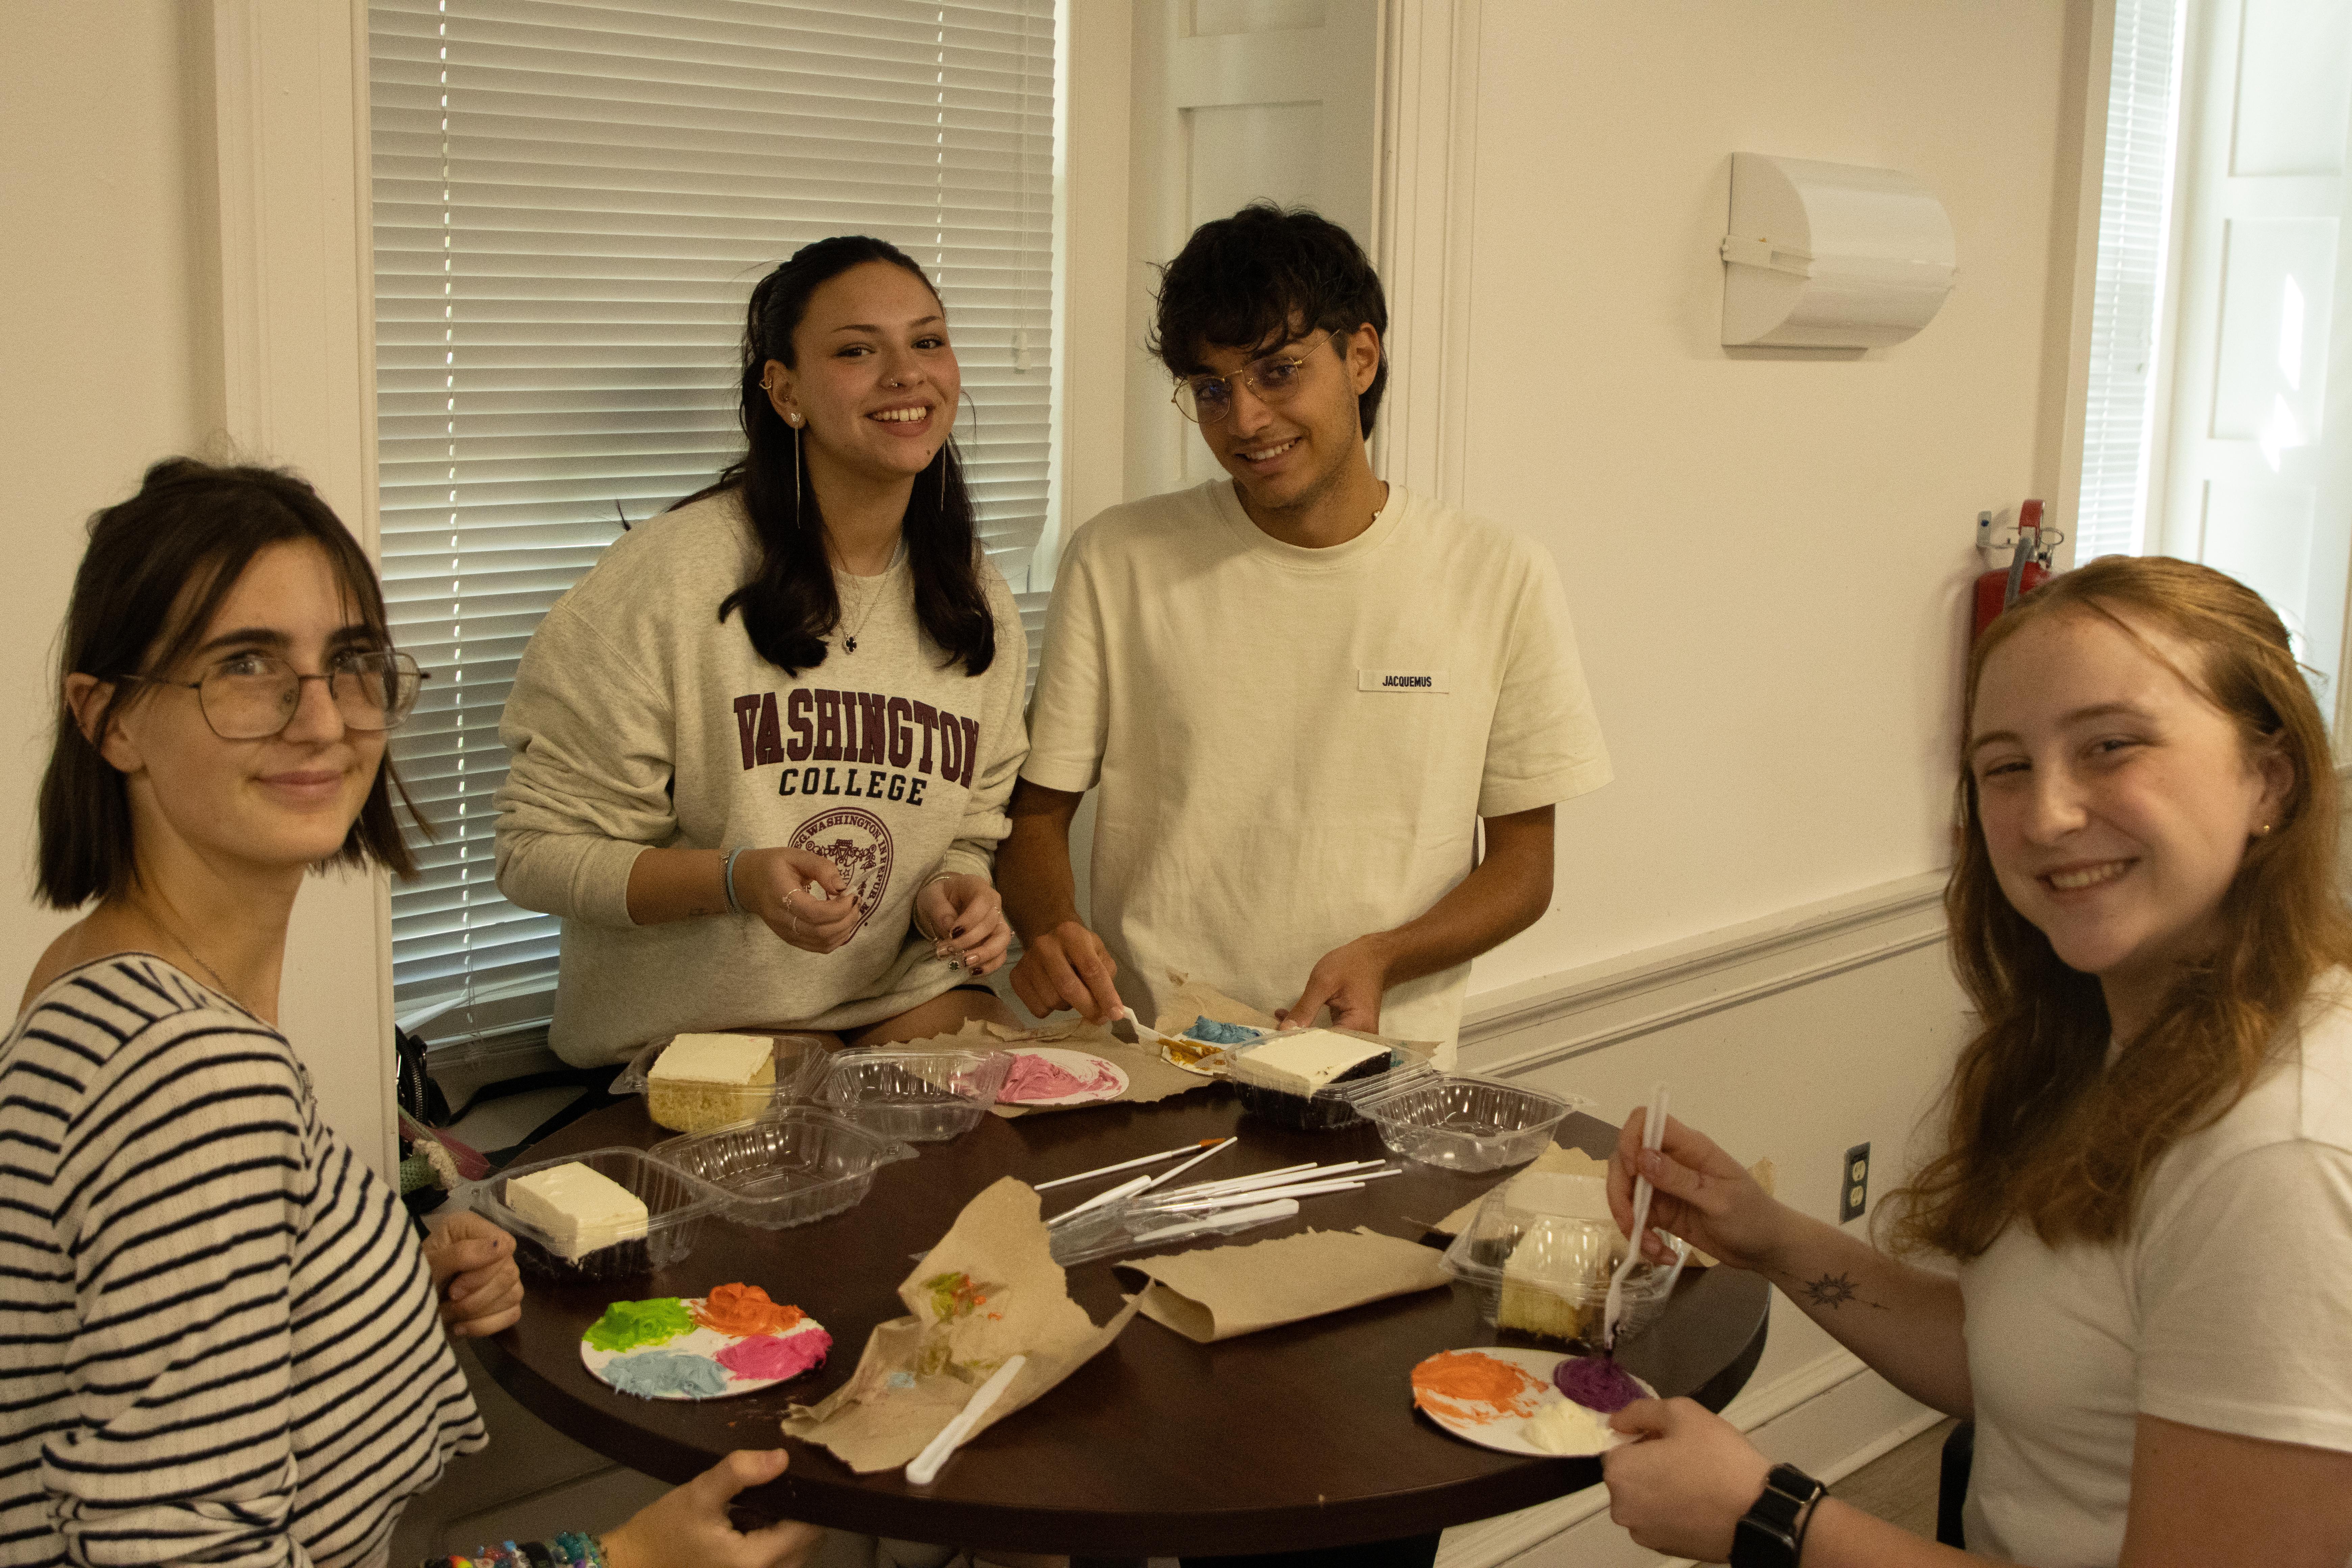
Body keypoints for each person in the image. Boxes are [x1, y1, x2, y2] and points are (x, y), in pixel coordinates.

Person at [0, 458, 818, 1568]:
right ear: (110, 721)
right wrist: (624, 1561)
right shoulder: (189, 1082)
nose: (323, 719)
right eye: (243, 666)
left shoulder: (97, 975)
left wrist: (364, 1289)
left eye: (350, 664)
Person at [1596, 557, 2352, 1566]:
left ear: (2269, 777)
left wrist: (1773, 1520)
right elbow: (2028, 1367)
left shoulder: (2279, 1157)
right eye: (2005, 766)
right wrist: (1766, 1235)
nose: (2045, 816)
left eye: (2111, 746)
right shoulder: (2111, 1044)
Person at [1000, 202, 1612, 1061]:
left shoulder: (1498, 574)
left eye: (1277, 373)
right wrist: (1051, 926)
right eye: (1211, 389)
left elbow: (1522, 867)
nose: (1244, 420)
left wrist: (1384, 958)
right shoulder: (1118, 558)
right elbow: (1035, 818)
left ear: (1361, 356)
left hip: (1377, 1066)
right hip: (1154, 1052)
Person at [495, 236, 1029, 1066]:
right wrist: (738, 879)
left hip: (896, 1001)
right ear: (785, 391)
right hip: (700, 1030)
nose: (907, 374)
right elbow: (536, 855)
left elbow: (964, 833)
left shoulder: (974, 595)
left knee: (1019, 1144)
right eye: (858, 350)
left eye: (928, 341)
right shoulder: (664, 583)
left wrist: (952, 896)